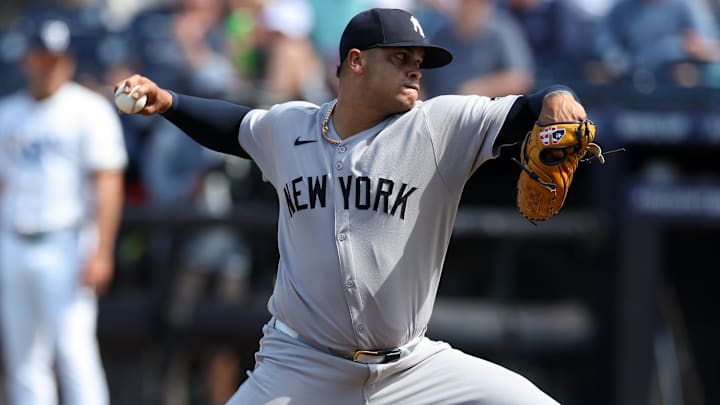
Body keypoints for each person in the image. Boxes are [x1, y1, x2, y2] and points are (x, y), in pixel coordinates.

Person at [114, 7, 591, 404]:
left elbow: (526, 108)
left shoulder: (440, 125)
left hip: (411, 370)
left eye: (419, 60)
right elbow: (235, 127)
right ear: (357, 62)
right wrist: (169, 101)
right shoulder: (290, 127)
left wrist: (558, 96)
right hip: (299, 366)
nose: (415, 70)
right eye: (401, 57)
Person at [0, 16, 127, 405]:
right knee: (23, 359)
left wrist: (102, 251)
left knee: (74, 353)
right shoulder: (8, 113)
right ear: (26, 61)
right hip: (14, 238)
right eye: (39, 59)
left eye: (54, 59)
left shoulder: (87, 109)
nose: (47, 68)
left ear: (67, 61)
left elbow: (108, 183)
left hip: (67, 240)